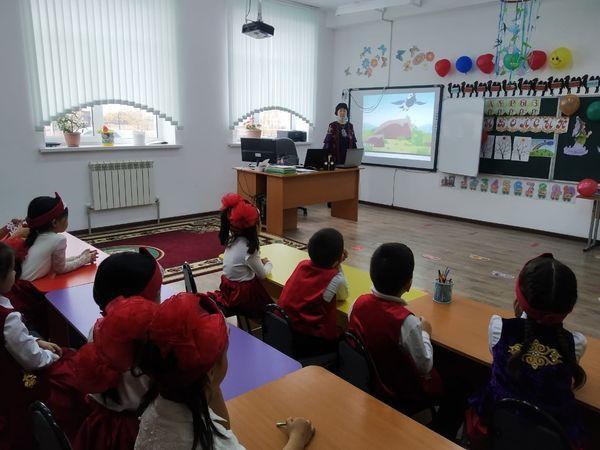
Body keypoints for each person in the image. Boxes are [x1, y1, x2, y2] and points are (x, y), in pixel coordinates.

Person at [134, 292, 315, 450]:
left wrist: (211, 382)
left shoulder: (156, 406)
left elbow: (225, 427)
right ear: (210, 373)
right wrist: (297, 439)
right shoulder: (214, 445)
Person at [467, 254, 587, 450]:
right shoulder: (576, 343)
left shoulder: (498, 328)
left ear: (521, 297)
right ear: (569, 306)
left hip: (498, 431)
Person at [73, 249, 163, 450]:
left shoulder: (96, 331)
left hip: (100, 429)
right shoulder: (152, 343)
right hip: (142, 433)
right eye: (157, 293)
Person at [0, 243, 85, 448]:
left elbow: (15, 340)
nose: (15, 273)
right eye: (12, 270)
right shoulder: (8, 318)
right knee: (71, 368)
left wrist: (36, 341)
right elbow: (32, 360)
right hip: (14, 382)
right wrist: (53, 356)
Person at [348, 243, 438, 413]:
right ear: (409, 283)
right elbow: (425, 366)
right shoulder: (407, 322)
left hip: (367, 383)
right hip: (399, 393)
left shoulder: (357, 303)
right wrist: (425, 333)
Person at [278, 228, 348, 356]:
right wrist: (338, 265)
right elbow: (343, 295)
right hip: (309, 341)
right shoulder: (335, 278)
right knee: (345, 336)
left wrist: (336, 260)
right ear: (338, 257)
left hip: (284, 331)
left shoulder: (302, 265)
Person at [212, 193, 272, 320]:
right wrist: (268, 264)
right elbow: (262, 275)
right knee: (271, 308)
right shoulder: (249, 249)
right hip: (242, 295)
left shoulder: (233, 241)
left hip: (229, 290)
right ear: (255, 226)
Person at [20, 192, 98, 281]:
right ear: (54, 223)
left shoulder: (34, 235)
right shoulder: (58, 239)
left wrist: (79, 257)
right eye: (66, 219)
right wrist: (84, 260)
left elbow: (57, 263)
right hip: (27, 287)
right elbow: (60, 269)